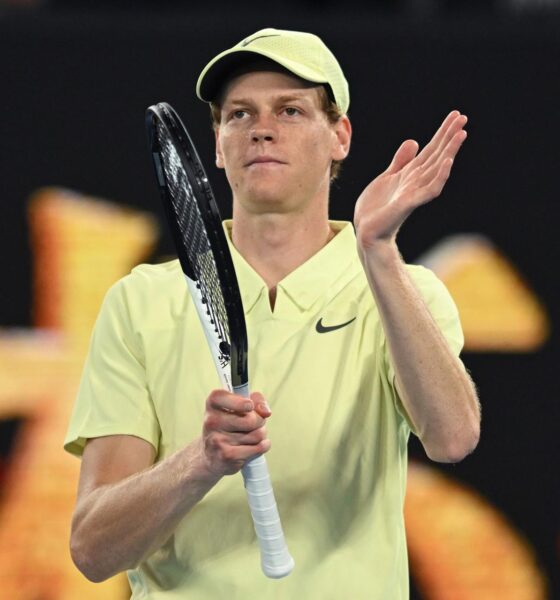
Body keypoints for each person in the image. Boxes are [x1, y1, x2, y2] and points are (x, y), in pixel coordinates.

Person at [65, 28, 480, 599]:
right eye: (238, 114)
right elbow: (93, 548)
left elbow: (453, 438)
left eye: (290, 110)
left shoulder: (408, 292)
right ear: (216, 143)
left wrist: (377, 250)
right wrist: (201, 462)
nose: (261, 128)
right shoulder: (140, 301)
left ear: (339, 135)